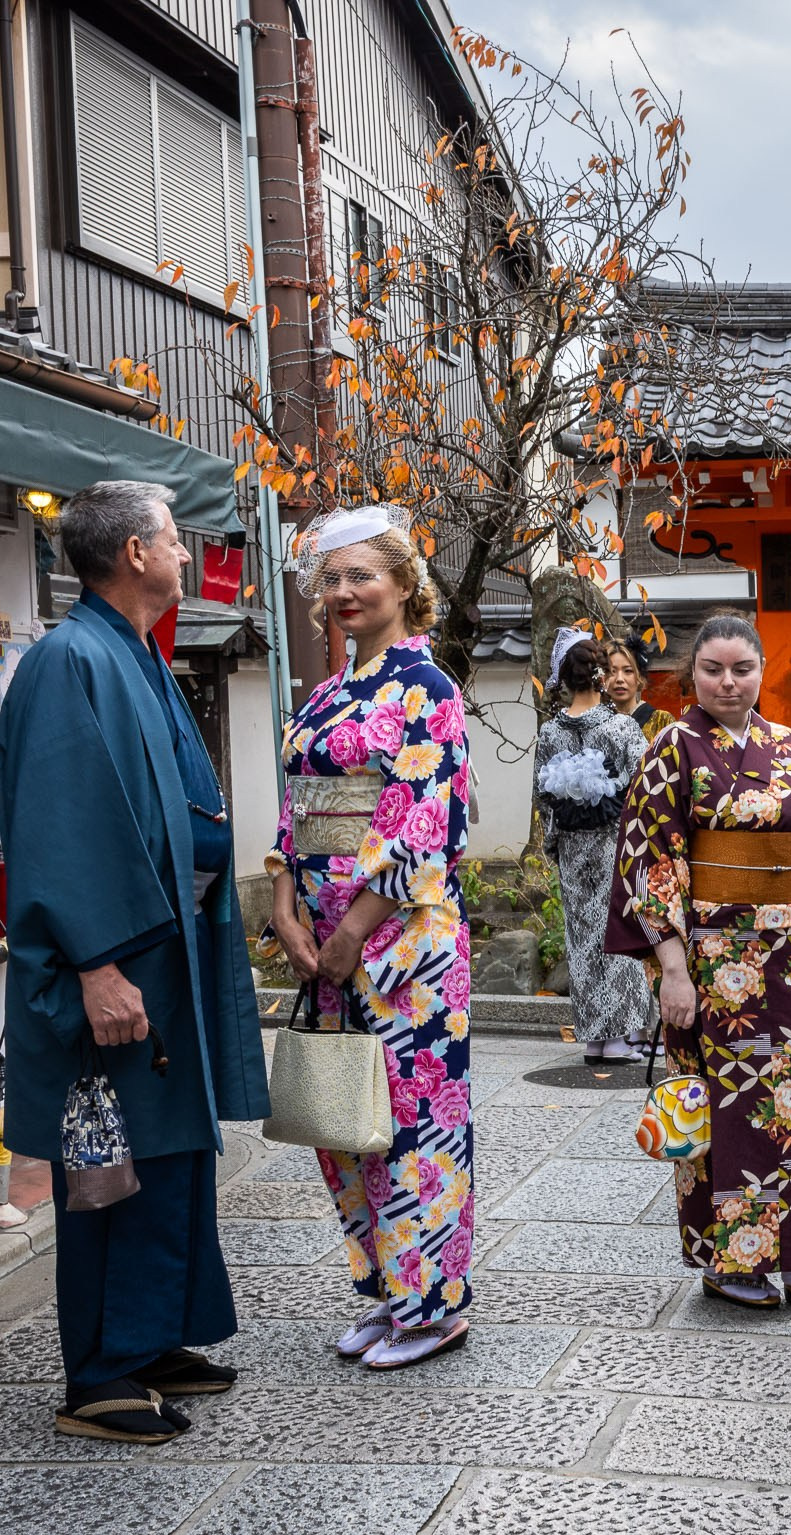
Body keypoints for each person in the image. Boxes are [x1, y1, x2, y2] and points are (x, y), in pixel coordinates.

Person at [0, 480, 270, 1443]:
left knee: (172, 1148)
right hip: (119, 958)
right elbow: (64, 826)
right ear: (134, 555)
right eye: (174, 541)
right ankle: (100, 1372)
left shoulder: (132, 655)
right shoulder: (70, 660)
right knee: (115, 1152)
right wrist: (95, 963)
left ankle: (155, 1337)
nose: (189, 558)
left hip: (168, 950)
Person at [607, 615, 791, 1316]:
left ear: (759, 671)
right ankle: (730, 1263)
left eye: (742, 669)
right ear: (692, 675)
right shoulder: (671, 749)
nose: (729, 682)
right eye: (714, 670)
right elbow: (650, 861)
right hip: (711, 962)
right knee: (722, 1113)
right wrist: (671, 967)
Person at [265, 504, 476, 1371]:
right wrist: (283, 896)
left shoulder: (427, 690)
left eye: (364, 576)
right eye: (334, 579)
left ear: (403, 585)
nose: (345, 592)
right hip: (323, 938)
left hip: (402, 941)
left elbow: (422, 820)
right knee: (346, 1118)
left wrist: (353, 926)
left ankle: (432, 1307)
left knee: (416, 1122)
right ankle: (385, 1292)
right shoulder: (324, 694)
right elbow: (299, 810)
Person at [536, 631, 653, 1063]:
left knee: (582, 937)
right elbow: (646, 783)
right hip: (614, 842)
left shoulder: (550, 732)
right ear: (599, 676)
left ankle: (594, 1037)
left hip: (571, 845)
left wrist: (555, 843)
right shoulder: (622, 726)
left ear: (564, 678)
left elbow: (544, 795)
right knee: (619, 933)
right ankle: (621, 1036)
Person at [605, 634, 674, 742]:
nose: (619, 679)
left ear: (639, 677)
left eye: (628, 671)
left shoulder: (661, 721)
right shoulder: (595, 722)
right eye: (612, 671)